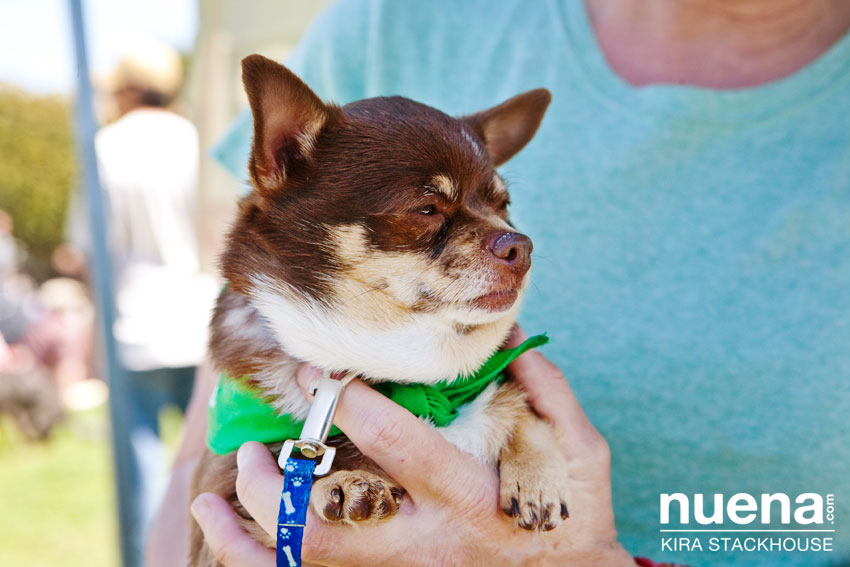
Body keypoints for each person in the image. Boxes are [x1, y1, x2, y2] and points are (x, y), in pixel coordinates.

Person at [163, 0, 850, 565]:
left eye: (500, 204)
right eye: (427, 210)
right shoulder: (390, 24)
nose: (508, 242)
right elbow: (199, 459)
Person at [69, 37, 218, 567]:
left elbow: (91, 251)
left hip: (134, 327)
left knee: (145, 477)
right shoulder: (203, 140)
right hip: (206, 324)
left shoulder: (105, 147)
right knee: (214, 468)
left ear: (127, 91)